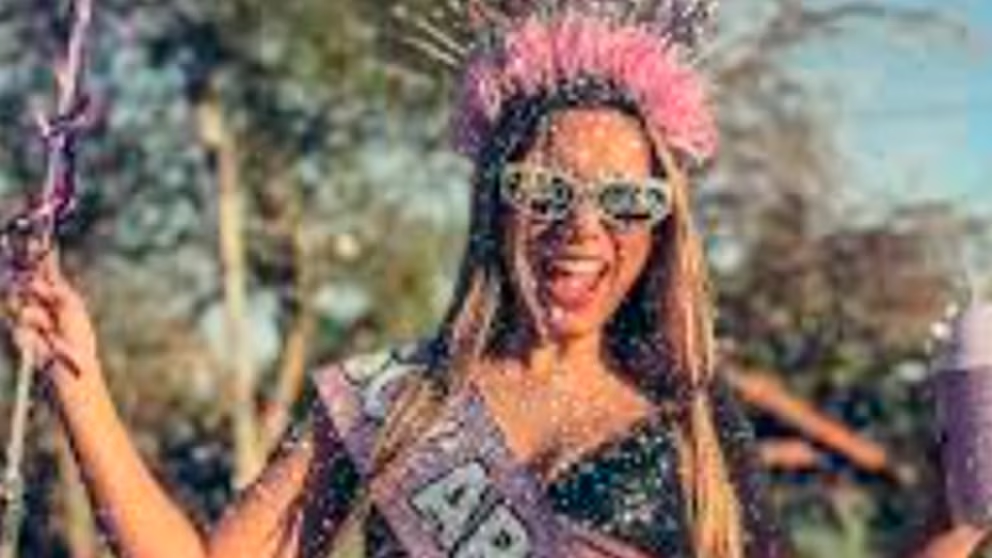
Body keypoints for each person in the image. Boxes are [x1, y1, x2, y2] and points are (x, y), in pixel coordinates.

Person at [3, 2, 988, 557]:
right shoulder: (385, 401)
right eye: (544, 192)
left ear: (663, 229)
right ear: (492, 206)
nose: (582, 231)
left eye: (626, 202)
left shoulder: (693, 414)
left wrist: (956, 518)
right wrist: (76, 379)